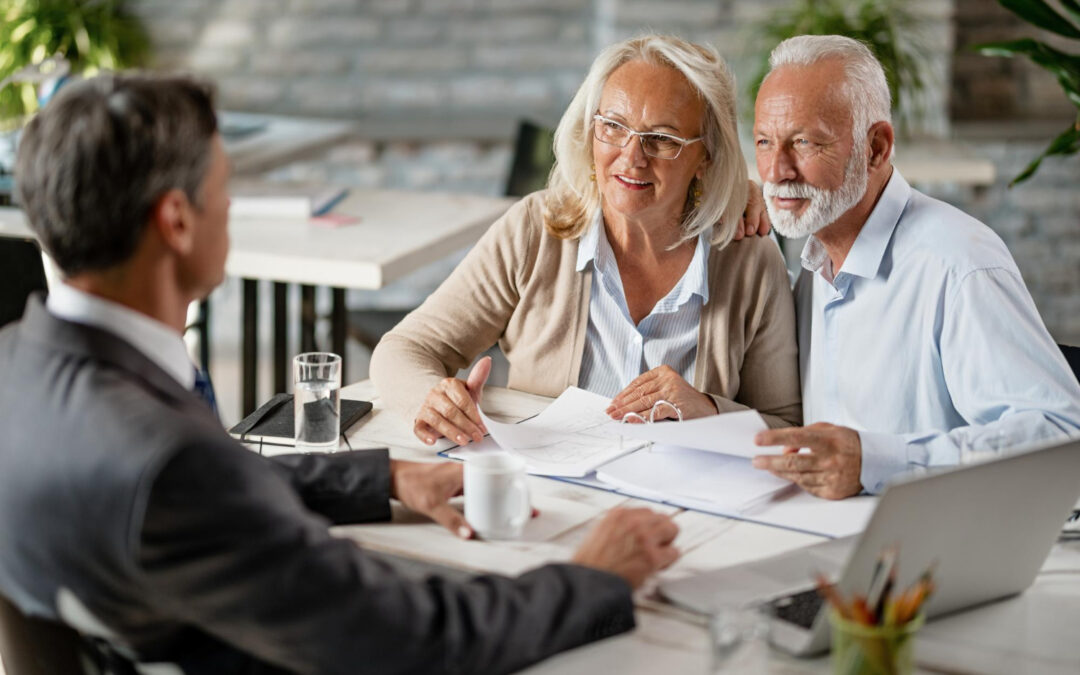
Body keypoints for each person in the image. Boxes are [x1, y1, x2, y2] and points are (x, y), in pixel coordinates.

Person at [0, 73, 682, 675]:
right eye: (224, 188)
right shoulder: (170, 461)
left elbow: (200, 500)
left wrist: (381, 479)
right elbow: (413, 639)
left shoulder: (16, 365)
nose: (231, 208)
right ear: (177, 221)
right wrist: (590, 578)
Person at [371, 35, 801, 447]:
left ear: (705, 155)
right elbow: (406, 349)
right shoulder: (535, 230)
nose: (632, 157)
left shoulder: (750, 259)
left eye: (662, 139)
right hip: (547, 486)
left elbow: (785, 425)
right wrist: (433, 400)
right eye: (613, 126)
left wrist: (708, 410)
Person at [749, 35, 1080, 499]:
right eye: (765, 142)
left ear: (876, 148)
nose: (776, 171)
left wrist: (879, 462)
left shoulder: (959, 265)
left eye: (804, 142)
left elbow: (1061, 434)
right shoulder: (814, 262)